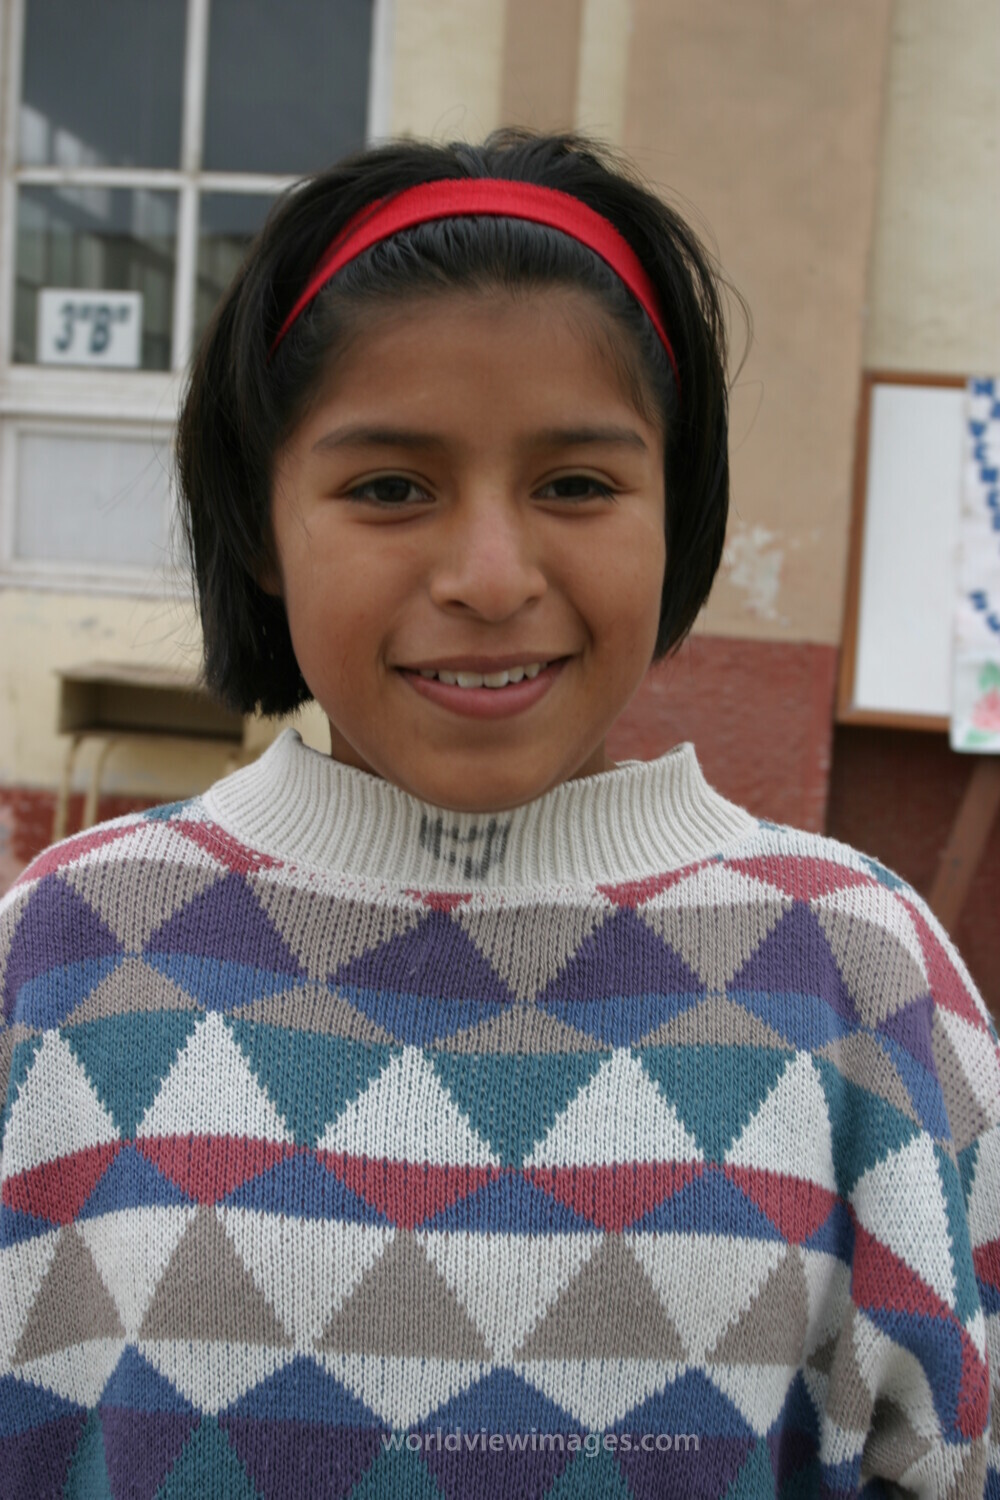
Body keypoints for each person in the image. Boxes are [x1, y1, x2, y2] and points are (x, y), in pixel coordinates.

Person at [0, 129, 997, 1500]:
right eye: (389, 488)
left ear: (678, 512)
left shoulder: (858, 975)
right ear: (258, 523)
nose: (486, 573)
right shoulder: (67, 957)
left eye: (576, 485)